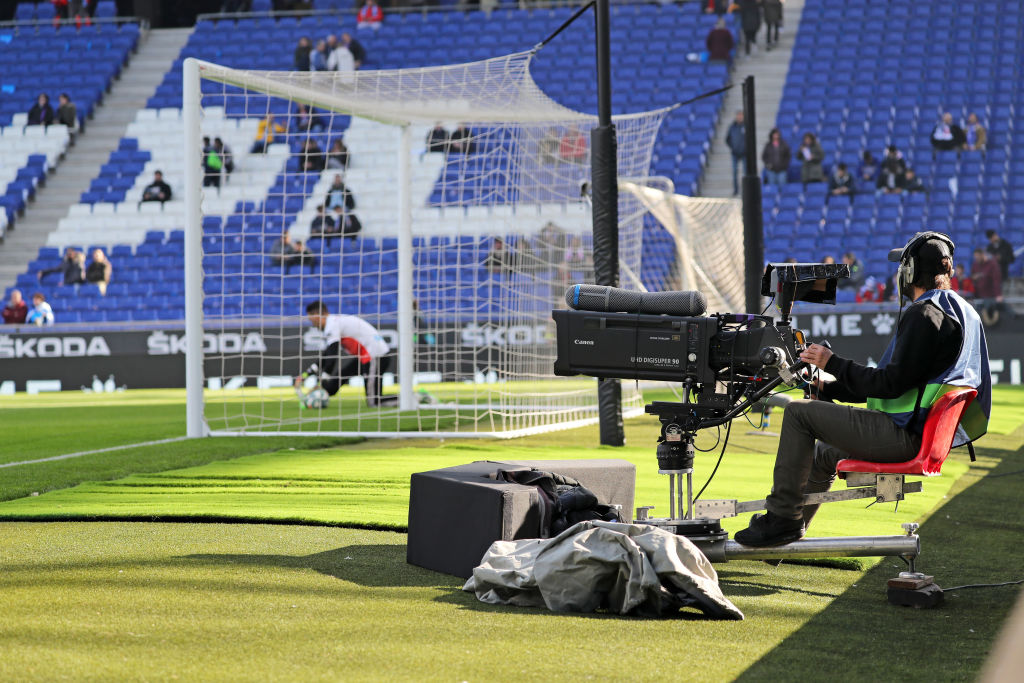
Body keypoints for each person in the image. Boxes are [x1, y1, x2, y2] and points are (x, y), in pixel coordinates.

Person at [734, 232, 990, 547]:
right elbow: (900, 385)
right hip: (920, 433)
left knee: (798, 413)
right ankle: (791, 531)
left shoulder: (924, 314)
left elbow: (889, 384)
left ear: (908, 272)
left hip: (904, 435)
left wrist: (832, 362)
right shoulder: (961, 311)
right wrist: (828, 385)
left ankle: (782, 516)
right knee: (823, 454)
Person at [298, 301, 397, 407]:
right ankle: (320, 394)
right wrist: (305, 375)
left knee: (373, 402)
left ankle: (408, 399)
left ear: (317, 315)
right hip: (365, 356)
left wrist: (323, 379)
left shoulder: (331, 324)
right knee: (335, 382)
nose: (311, 323)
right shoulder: (334, 322)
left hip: (375, 356)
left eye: (311, 319)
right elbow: (326, 355)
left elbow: (332, 355)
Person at [972, 247, 1003, 325]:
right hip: (978, 294)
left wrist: (998, 294)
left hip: (990, 294)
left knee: (989, 308)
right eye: (975, 257)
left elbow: (996, 280)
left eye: (978, 257)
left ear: (983, 255)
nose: (977, 259)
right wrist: (975, 277)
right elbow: (972, 277)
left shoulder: (992, 264)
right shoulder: (975, 264)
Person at [725, 110, 745, 196]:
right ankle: (736, 190)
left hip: (744, 153)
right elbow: (727, 139)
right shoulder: (732, 127)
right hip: (735, 153)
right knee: (734, 172)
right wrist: (733, 147)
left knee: (745, 172)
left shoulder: (746, 126)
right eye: (739, 115)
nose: (740, 117)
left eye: (741, 115)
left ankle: (745, 190)